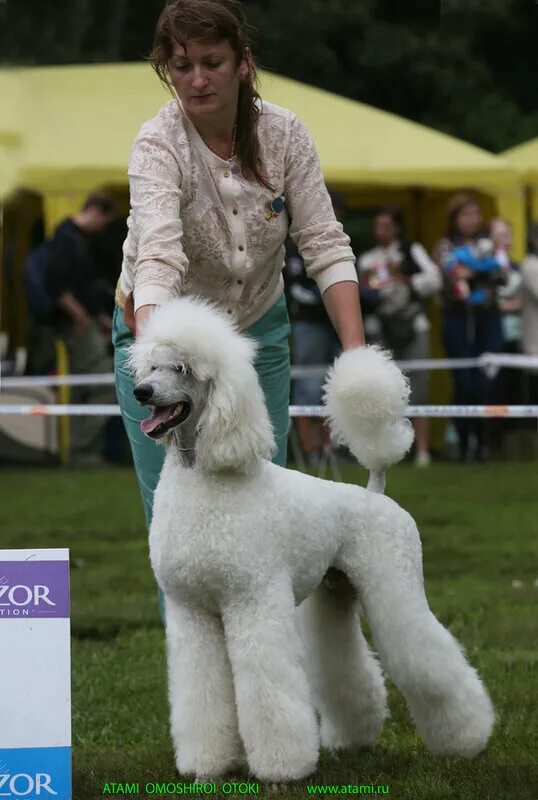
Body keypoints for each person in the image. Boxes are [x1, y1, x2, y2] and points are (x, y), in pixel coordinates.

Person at [112, 0, 365, 613]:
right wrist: (155, 362)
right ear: (165, 70)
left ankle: (276, 683)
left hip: (257, 337)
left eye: (211, 62)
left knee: (258, 515)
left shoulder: (285, 135)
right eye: (180, 66)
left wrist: (358, 360)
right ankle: (206, 704)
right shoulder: (155, 144)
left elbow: (325, 246)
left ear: (242, 64)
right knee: (174, 528)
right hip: (158, 340)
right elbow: (159, 259)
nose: (196, 79)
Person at [357, 207, 442, 466]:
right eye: (377, 225)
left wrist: (403, 279)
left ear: (396, 227)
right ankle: (390, 454)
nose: (380, 230)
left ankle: (423, 451)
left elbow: (434, 280)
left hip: (413, 325)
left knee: (419, 388)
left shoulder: (412, 250)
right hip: (381, 327)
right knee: (385, 391)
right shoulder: (367, 259)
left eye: (386, 225)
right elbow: (360, 291)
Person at [47, 190, 117, 465]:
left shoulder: (73, 238)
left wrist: (97, 317)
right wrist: (81, 317)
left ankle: (78, 452)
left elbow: (81, 288)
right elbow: (57, 286)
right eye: (105, 221)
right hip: (77, 325)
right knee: (104, 384)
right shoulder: (67, 238)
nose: (103, 228)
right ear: (96, 210)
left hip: (81, 321)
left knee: (81, 387)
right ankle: (84, 450)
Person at [435, 193, 505, 462]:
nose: (471, 219)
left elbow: (502, 271)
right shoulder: (444, 246)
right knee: (464, 382)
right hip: (457, 318)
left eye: (475, 213)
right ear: (454, 219)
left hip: (488, 317)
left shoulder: (490, 244)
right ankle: (465, 444)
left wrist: (474, 270)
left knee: (488, 380)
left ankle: (486, 442)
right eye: (465, 214)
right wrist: (478, 271)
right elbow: (450, 274)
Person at [284, 189, 348, 467]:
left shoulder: (342, 240)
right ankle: (309, 451)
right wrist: (330, 300)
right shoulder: (292, 243)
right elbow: (296, 289)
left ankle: (329, 449)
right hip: (309, 323)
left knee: (334, 387)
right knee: (308, 388)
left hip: (335, 322)